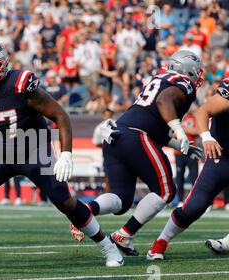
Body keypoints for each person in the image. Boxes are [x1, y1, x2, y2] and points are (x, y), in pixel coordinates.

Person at [0, 41, 123, 267]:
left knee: (65, 202)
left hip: (33, 148)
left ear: (4, 65)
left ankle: (108, 246)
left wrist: (66, 154)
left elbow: (60, 115)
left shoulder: (20, 84)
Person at [76, 51, 204, 257]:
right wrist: (180, 132)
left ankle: (86, 209)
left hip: (118, 135)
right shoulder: (183, 84)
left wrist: (178, 145)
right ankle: (124, 234)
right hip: (136, 136)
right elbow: (163, 101)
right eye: (196, 71)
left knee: (121, 200)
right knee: (166, 191)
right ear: (186, 69)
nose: (198, 76)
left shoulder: (158, 78)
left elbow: (156, 127)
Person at [147, 77, 229, 260]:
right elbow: (203, 111)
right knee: (194, 207)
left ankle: (227, 242)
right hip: (221, 158)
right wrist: (206, 136)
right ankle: (161, 242)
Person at [175, 107, 199, 207]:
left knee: (194, 177)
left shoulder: (194, 117)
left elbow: (197, 131)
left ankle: (196, 200)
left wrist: (183, 129)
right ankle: (180, 200)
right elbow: (173, 133)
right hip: (178, 152)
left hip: (191, 151)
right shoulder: (176, 118)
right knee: (179, 178)